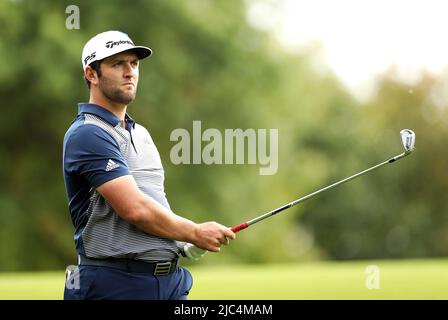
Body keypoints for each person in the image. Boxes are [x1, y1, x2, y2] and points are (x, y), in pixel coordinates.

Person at [62, 30, 235, 300]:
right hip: (114, 284)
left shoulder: (140, 132)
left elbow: (154, 200)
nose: (129, 72)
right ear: (91, 74)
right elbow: (135, 209)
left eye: (134, 63)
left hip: (169, 283)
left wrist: (182, 243)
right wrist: (195, 231)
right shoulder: (87, 134)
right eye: (118, 64)